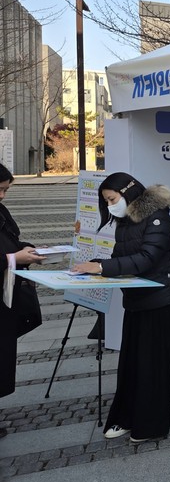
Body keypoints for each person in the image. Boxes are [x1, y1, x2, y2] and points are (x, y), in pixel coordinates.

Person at [72, 172, 170, 443]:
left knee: (154, 364)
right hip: (136, 300)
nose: (110, 205)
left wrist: (102, 267)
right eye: (106, 201)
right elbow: (119, 257)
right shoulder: (124, 222)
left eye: (112, 199)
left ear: (127, 192)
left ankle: (151, 425)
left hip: (161, 300)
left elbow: (147, 258)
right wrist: (95, 266)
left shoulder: (158, 219)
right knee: (132, 362)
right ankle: (125, 417)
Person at [0, 164, 45, 439]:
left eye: (6, 190)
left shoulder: (1, 211)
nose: (2, 196)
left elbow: (9, 242)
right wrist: (14, 258)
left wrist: (27, 251)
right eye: (0, 189)